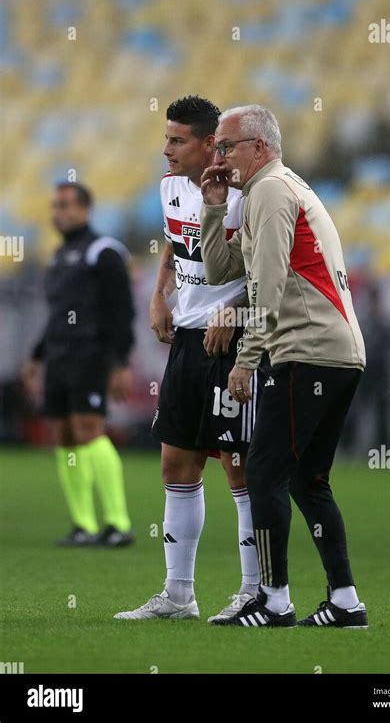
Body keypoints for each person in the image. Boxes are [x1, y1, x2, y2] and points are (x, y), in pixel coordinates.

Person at [199, 105, 368, 628]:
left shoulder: (271, 192)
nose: (218, 156)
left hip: (306, 350)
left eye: (226, 146)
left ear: (260, 146)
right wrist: (212, 205)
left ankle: (274, 601)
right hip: (338, 353)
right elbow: (221, 269)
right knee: (308, 481)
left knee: (267, 471)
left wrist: (246, 362)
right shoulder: (274, 190)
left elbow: (266, 289)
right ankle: (345, 601)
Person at [114, 96, 262, 623]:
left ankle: (254, 592)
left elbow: (272, 269)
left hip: (235, 343)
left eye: (177, 141)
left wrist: (238, 310)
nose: (166, 150)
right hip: (188, 341)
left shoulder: (246, 194)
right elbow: (176, 245)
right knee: (177, 464)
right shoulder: (170, 186)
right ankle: (178, 595)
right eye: (165, 138)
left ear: (207, 144)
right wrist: (160, 295)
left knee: (240, 469)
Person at [23, 182, 135, 547]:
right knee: (64, 435)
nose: (58, 212)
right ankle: (84, 524)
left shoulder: (103, 252)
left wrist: (120, 361)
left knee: (89, 429)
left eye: (65, 206)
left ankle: (118, 523)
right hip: (58, 356)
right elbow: (57, 315)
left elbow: (123, 311)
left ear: (85, 209)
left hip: (90, 353)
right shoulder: (58, 256)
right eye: (55, 206)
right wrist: (37, 356)